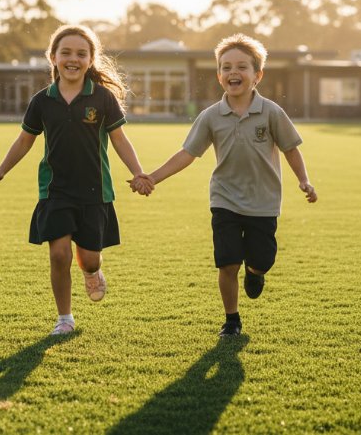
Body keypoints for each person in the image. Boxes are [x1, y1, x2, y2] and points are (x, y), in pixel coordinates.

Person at [136, 34, 317, 337]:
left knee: (261, 260)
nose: (234, 73)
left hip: (263, 202)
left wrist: (304, 180)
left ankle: (255, 273)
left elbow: (291, 149)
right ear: (219, 75)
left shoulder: (271, 112)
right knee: (227, 263)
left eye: (242, 67)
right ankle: (231, 320)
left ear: (257, 75)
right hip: (225, 200)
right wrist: (153, 177)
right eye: (226, 67)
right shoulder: (210, 117)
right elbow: (188, 154)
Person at [0, 24, 154, 336]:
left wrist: (137, 172)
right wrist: (1, 170)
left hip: (94, 191)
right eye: (66, 52)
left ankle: (93, 271)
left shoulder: (101, 98)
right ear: (53, 57)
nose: (72, 59)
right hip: (55, 190)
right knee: (59, 253)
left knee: (88, 259)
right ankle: (64, 318)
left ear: (91, 60)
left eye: (80, 53)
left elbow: (119, 140)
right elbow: (24, 141)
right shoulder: (42, 101)